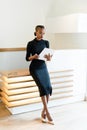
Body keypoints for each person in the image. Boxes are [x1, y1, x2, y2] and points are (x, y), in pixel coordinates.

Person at [26, 25, 54, 125]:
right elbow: (27, 58)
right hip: (35, 68)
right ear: (36, 32)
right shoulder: (30, 43)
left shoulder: (46, 42)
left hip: (43, 67)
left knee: (48, 87)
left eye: (43, 33)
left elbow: (47, 57)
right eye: (40, 33)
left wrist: (49, 58)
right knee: (42, 88)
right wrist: (33, 56)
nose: (42, 35)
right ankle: (47, 112)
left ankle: (43, 112)